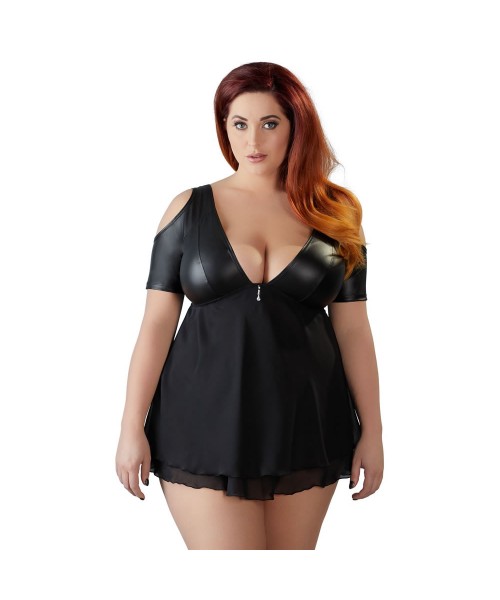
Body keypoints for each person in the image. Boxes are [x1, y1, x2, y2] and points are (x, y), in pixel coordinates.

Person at [115, 61, 383, 550]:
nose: (252, 140)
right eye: (239, 124)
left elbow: (354, 331)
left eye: (269, 123)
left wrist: (374, 430)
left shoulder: (336, 212)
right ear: (224, 126)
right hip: (199, 422)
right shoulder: (187, 209)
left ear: (296, 126)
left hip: (308, 422)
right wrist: (131, 426)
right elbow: (155, 325)